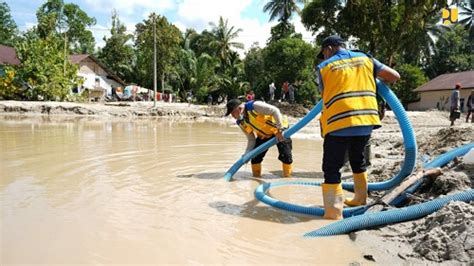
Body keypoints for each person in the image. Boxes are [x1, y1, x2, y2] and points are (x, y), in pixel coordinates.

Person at [316, 35, 400, 220]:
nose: (324, 57)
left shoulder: (324, 67)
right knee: (357, 158)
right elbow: (394, 76)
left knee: (331, 167)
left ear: (329, 48)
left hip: (339, 121)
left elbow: (325, 94)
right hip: (366, 120)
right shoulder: (365, 58)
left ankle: (333, 214)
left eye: (323, 53)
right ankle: (360, 199)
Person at [224, 98, 293, 177]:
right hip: (264, 135)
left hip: (279, 130)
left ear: (239, 109)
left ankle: (287, 179)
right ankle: (256, 178)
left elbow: (275, 110)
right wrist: (247, 154)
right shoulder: (241, 122)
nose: (232, 116)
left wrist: (280, 129)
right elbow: (251, 139)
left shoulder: (255, 106)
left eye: (232, 113)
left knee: (286, 156)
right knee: (255, 158)